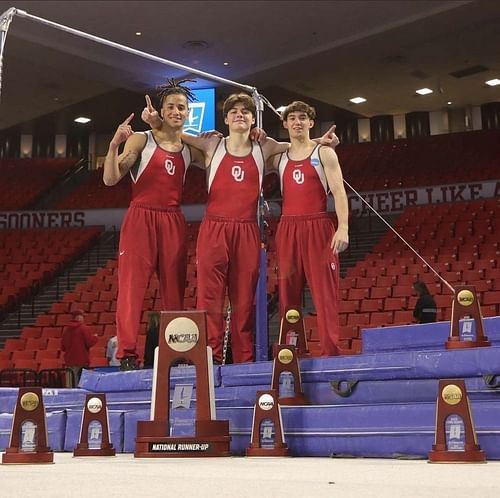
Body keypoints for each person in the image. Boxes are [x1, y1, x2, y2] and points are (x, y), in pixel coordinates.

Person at [143, 92, 337, 364]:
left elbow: (297, 146)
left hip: (246, 231)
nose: (239, 115)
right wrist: (156, 125)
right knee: (209, 298)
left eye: (245, 112)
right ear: (225, 119)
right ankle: (210, 358)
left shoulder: (265, 147)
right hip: (214, 229)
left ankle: (244, 360)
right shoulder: (212, 145)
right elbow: (176, 137)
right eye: (234, 112)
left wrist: (321, 141)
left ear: (252, 119)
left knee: (245, 302)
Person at [103, 79, 204, 371]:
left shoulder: (190, 148)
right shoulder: (141, 140)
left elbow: (227, 151)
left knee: (174, 292)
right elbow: (110, 179)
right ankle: (127, 354)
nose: (176, 111)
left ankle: (175, 352)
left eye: (181, 107)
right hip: (140, 218)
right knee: (132, 288)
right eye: (170, 106)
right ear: (161, 110)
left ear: (188, 113)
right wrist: (113, 145)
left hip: (173, 219)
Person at [267, 101, 349, 356]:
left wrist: (343, 227)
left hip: (318, 226)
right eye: (292, 118)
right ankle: (292, 352)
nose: (297, 122)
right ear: (285, 124)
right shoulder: (278, 155)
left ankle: (331, 352)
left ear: (311, 122)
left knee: (324, 294)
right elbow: (248, 152)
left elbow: (338, 191)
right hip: (288, 228)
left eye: (302, 118)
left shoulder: (324, 152)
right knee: (288, 296)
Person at [61, 309, 98, 387]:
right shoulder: (84, 328)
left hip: (69, 360)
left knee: (71, 383)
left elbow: (63, 347)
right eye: (82, 316)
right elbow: (89, 342)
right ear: (79, 317)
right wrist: (95, 338)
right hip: (82, 360)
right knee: (82, 383)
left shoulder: (66, 330)